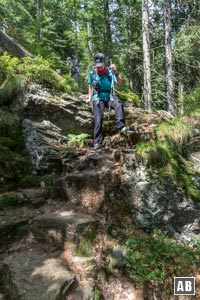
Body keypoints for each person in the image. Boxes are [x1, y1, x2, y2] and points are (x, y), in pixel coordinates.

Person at [88, 53, 129, 150]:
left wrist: (116, 72)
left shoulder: (110, 72)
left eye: (101, 66)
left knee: (118, 104)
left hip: (109, 95)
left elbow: (119, 82)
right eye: (97, 66)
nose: (99, 68)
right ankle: (97, 142)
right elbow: (90, 86)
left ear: (104, 63)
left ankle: (121, 126)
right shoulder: (92, 73)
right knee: (98, 119)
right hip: (97, 97)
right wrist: (89, 97)